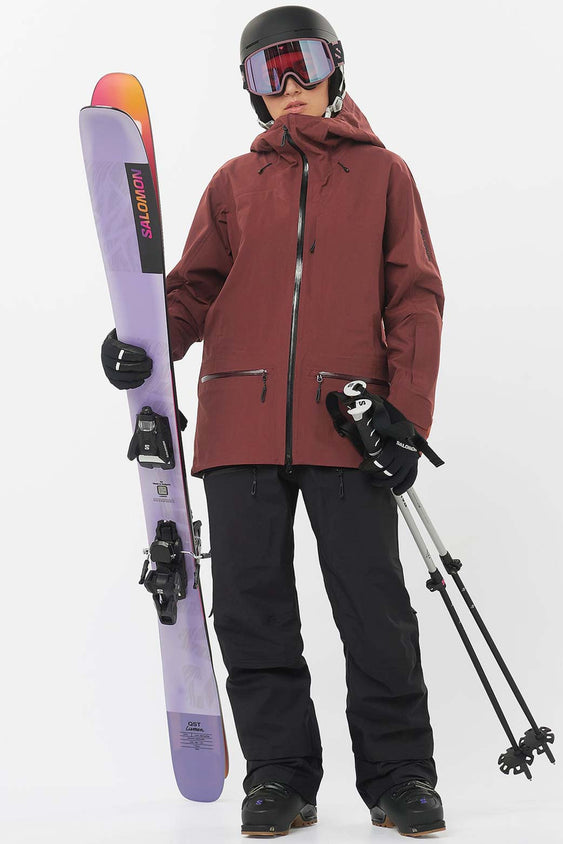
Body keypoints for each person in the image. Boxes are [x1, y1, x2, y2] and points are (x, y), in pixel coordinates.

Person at [101, 5, 446, 838]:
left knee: (372, 605)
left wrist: (404, 416)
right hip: (238, 424)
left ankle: (400, 776)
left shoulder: (385, 175)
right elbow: (189, 288)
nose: (290, 86)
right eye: (268, 72)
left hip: (346, 422)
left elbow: (415, 296)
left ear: (335, 71)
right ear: (251, 89)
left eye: (304, 66)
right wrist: (140, 341)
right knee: (252, 608)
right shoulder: (233, 184)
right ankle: (279, 776)